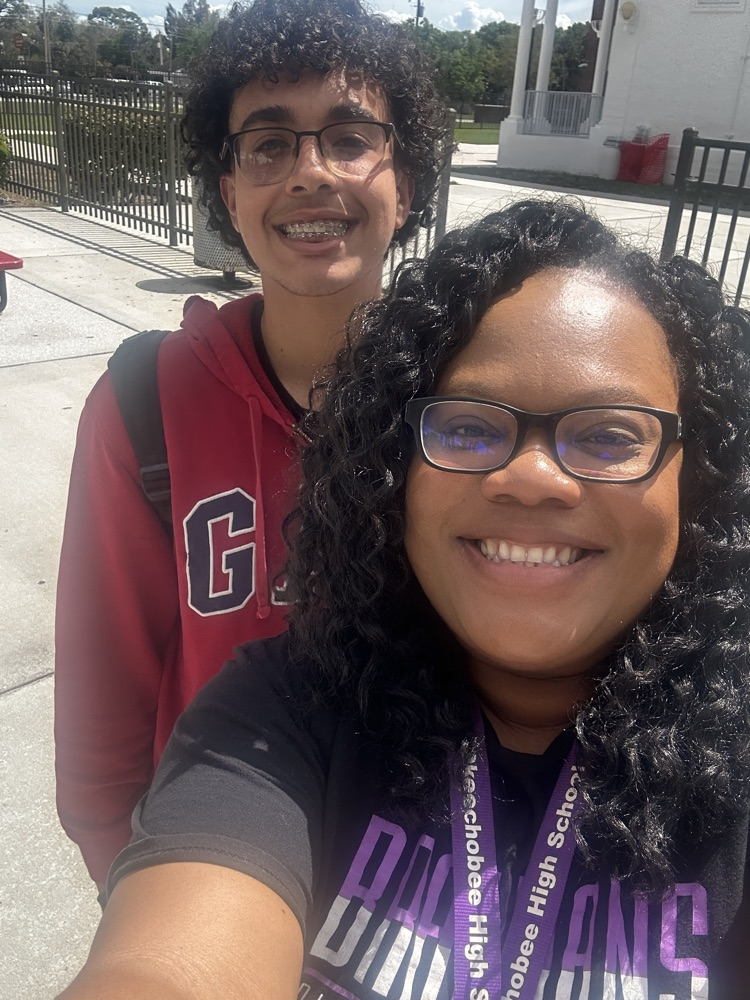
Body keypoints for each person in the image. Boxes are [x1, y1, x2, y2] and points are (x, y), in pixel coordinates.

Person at [57, 200, 750, 999]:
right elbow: (166, 969)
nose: (530, 478)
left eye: (609, 436)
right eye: (466, 428)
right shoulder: (279, 714)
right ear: (395, 473)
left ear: (693, 482)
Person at [54, 0, 450, 889]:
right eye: (269, 144)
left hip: (424, 895)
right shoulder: (143, 405)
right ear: (229, 190)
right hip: (212, 869)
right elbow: (102, 682)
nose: (311, 173)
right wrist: (127, 871)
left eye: (351, 137)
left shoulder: (478, 406)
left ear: (408, 181)